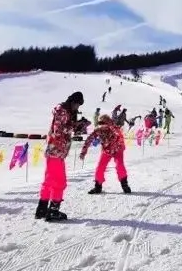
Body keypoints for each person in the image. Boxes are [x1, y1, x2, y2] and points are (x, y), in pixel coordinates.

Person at [36, 91, 83, 221]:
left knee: (49, 180)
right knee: (60, 182)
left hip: (54, 150)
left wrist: (74, 126)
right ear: (72, 102)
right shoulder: (63, 111)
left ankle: (42, 209)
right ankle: (53, 211)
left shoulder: (62, 111)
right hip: (57, 150)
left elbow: (61, 128)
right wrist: (75, 127)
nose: (77, 108)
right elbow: (59, 131)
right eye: (77, 105)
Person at [81, 114, 131, 194]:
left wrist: (111, 127)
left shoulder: (114, 128)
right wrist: (84, 151)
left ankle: (124, 184)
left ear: (108, 122)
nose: (102, 125)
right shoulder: (98, 130)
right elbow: (89, 139)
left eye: (104, 123)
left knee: (120, 166)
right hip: (106, 150)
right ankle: (98, 186)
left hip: (117, 149)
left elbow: (119, 134)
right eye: (100, 123)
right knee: (100, 167)